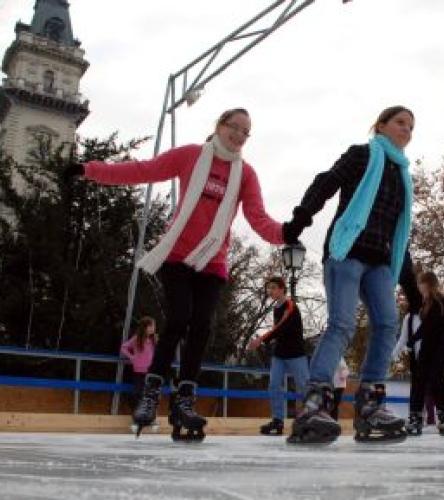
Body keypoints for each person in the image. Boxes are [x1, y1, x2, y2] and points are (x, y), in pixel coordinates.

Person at [66, 108, 285, 440]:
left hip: (212, 261)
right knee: (179, 319)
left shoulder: (246, 175)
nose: (239, 136)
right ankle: (151, 395)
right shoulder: (191, 156)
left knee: (202, 326)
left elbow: (258, 218)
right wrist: (89, 170)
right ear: (220, 126)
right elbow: (143, 170)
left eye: (246, 132)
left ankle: (184, 399)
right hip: (178, 255)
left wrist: (287, 232)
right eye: (234, 128)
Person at [281, 105, 422, 444]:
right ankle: (316, 401)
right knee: (342, 324)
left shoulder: (404, 178)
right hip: (346, 252)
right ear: (381, 125)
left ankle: (371, 403)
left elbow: (399, 233)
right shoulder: (362, 155)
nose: (407, 130)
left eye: (411, 126)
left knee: (388, 324)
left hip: (379, 262)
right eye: (400, 123)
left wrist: (411, 286)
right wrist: (301, 217)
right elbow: (326, 182)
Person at [248, 276, 309, 436]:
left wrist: (261, 339)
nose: (270, 291)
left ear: (282, 289)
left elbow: (281, 328)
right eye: (269, 288)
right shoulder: (276, 308)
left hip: (296, 354)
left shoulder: (290, 306)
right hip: (280, 355)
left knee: (303, 386)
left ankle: (311, 417)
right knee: (274, 386)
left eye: (273, 288)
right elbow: (277, 332)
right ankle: (278, 420)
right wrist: (267, 341)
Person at [404, 272, 444, 436]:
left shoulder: (441, 302)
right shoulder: (424, 303)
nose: (419, 287)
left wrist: (413, 338)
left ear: (427, 284)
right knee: (418, 381)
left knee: (436, 380)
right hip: (427, 348)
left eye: (421, 284)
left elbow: (429, 326)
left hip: (440, 348)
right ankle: (415, 415)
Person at [120, 316, 158, 431]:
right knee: (136, 394)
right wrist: (132, 357)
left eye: (153, 326)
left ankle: (151, 419)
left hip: (150, 373)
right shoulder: (136, 338)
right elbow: (123, 347)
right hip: (138, 372)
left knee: (150, 396)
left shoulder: (153, 340)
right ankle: (136, 418)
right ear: (145, 327)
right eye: (151, 326)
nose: (153, 328)